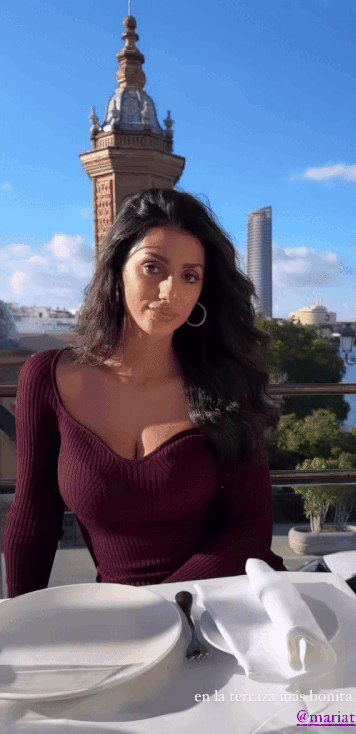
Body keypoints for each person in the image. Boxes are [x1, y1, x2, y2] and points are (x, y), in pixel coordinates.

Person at [4, 188, 287, 597]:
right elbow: (34, 521)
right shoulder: (47, 378)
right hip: (123, 618)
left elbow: (250, 531)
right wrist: (19, 621)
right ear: (118, 267)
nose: (170, 291)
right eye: (153, 267)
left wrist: (155, 608)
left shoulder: (226, 383)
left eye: (190, 276)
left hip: (227, 606)